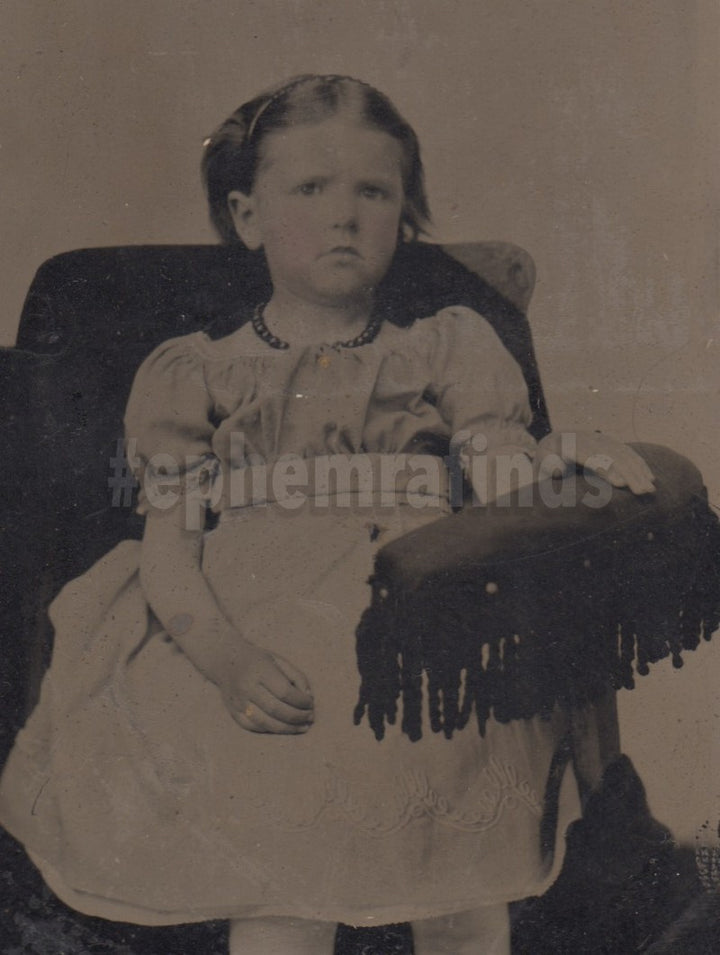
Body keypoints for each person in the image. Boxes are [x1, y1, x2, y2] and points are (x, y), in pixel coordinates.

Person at [0, 75, 655, 955]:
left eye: (373, 191)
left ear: (404, 216)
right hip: (259, 645)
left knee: (460, 877)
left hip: (418, 640)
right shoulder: (197, 373)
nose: (344, 215)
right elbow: (168, 553)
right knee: (280, 878)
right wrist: (226, 659)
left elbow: (501, 479)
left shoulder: (446, 348)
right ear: (248, 216)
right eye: (310, 188)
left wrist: (556, 463)